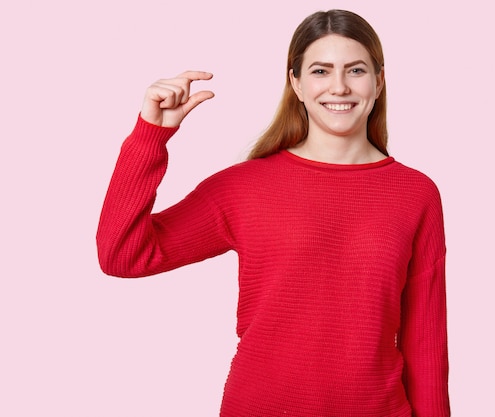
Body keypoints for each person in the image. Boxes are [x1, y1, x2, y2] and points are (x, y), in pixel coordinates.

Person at [97, 9, 450, 417]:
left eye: (355, 70)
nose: (339, 86)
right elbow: (122, 255)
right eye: (320, 71)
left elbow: (425, 345)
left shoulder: (415, 193)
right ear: (295, 83)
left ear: (378, 81)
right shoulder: (244, 186)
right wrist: (150, 135)